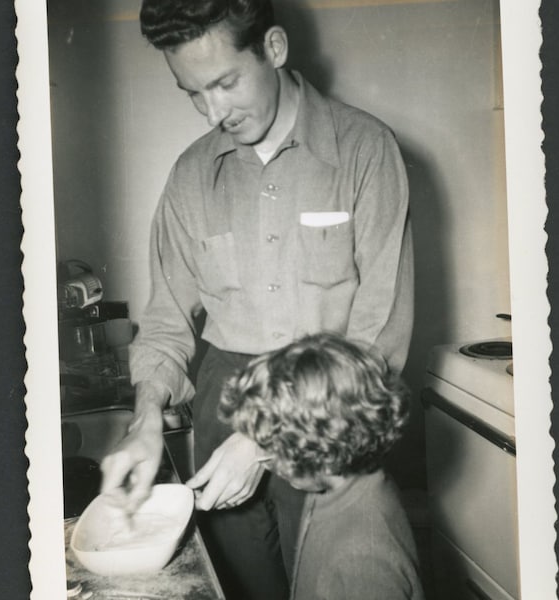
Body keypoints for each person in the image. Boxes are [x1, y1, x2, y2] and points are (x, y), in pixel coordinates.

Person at [100, 1, 414, 598]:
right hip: (223, 402)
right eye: (193, 92)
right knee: (235, 587)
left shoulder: (366, 150)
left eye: (224, 83)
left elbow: (378, 339)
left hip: (330, 415)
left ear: (273, 48)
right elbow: (168, 320)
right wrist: (145, 421)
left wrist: (272, 437)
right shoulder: (190, 175)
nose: (213, 112)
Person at [219, 332, 425, 600]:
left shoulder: (363, 561)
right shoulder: (339, 485)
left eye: (272, 450)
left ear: (315, 453)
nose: (267, 463)